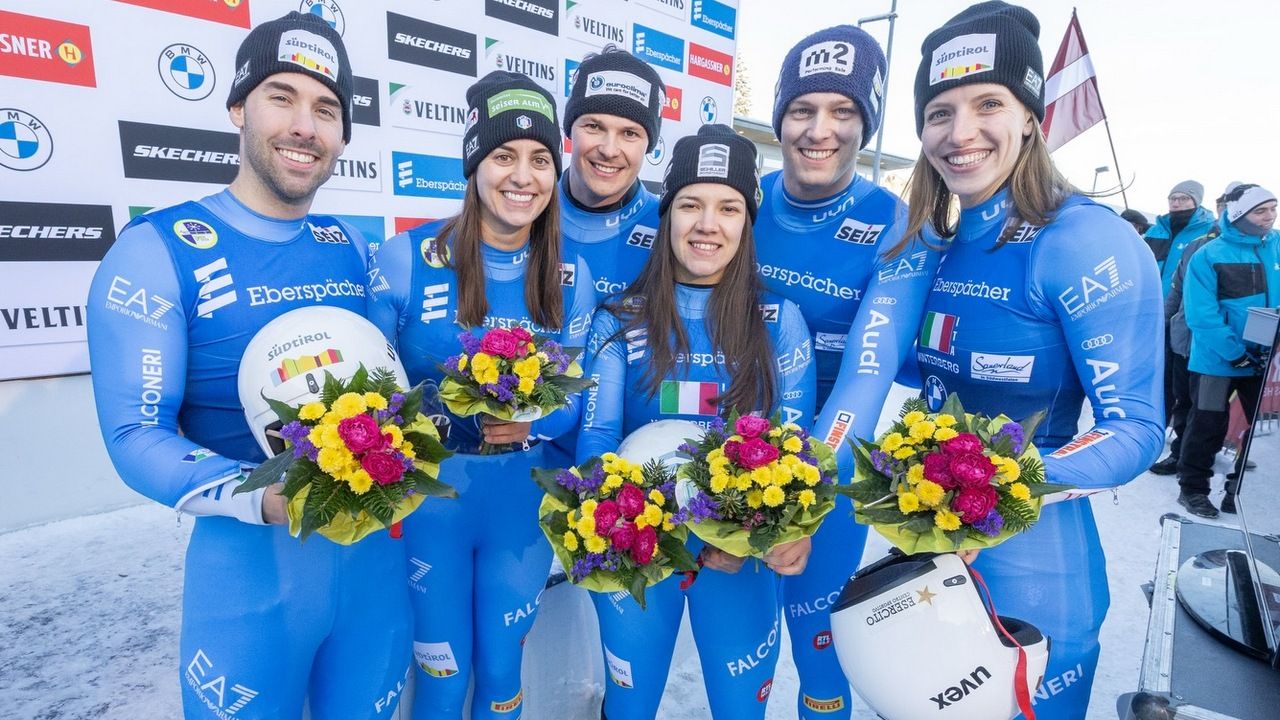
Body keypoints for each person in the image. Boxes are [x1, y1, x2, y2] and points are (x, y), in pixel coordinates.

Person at [87, 12, 412, 718]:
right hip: (252, 586)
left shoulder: (354, 247)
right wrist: (265, 496)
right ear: (238, 106)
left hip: (376, 575)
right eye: (281, 97)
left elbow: (400, 399)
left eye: (327, 109)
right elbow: (135, 435)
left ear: (344, 136)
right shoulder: (157, 249)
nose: (305, 126)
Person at [903, 3, 1164, 717]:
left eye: (989, 103)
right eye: (938, 111)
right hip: (931, 544)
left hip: (1037, 558)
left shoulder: (1084, 240)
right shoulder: (938, 239)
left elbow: (1136, 429)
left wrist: (985, 485)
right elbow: (919, 370)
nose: (960, 134)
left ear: (1030, 117)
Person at [366, 71, 596, 720]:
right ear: (474, 163)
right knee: (441, 673)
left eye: (541, 159)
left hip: (518, 509)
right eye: (503, 156)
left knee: (501, 672)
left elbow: (574, 400)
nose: (523, 175)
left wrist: (533, 419)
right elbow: (367, 395)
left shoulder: (569, 277)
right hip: (427, 509)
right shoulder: (407, 257)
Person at [577, 124, 816, 719]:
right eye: (690, 204)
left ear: (746, 224)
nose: (708, 224)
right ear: (667, 216)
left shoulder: (779, 321)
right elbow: (598, 442)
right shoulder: (618, 321)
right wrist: (623, 527)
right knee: (629, 708)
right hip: (637, 549)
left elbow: (797, 456)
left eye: (728, 207)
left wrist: (756, 534)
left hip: (738, 559)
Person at [754, 25, 939, 719]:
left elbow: (867, 371)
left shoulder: (896, 226)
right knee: (739, 645)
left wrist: (803, 487)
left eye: (843, 112)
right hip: (726, 454)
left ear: (865, 123)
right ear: (780, 118)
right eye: (802, 110)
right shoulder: (740, 200)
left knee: (819, 648)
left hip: (825, 465)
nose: (819, 131)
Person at [547, 46, 666, 469]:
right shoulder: (523, 209)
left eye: (630, 133)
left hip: (629, 459)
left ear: (649, 143)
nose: (609, 149)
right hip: (529, 449)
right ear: (570, 130)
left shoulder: (674, 226)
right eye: (594, 126)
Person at [1177, 184, 1279, 518]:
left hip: (1262, 358)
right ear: (1238, 214)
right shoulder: (1209, 254)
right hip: (1216, 360)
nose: (1270, 216)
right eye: (1260, 210)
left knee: (1253, 430)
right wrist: (1233, 352)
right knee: (1207, 425)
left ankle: (1236, 491)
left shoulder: (1276, 247)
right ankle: (1193, 489)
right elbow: (1201, 315)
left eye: (1273, 208)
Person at [1150, 183, 1240, 476]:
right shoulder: (1197, 246)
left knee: (1209, 410)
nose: (1227, 213)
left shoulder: (1258, 249)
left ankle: (1198, 467)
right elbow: (1176, 291)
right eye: (1224, 207)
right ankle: (1180, 456)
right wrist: (1161, 324)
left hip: (1220, 348)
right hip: (1182, 340)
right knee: (1183, 401)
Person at [1143, 180, 1217, 473]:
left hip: (1181, 322)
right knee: (1150, 378)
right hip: (1147, 314)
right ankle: (1149, 430)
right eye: (1173, 198)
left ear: (1196, 201)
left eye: (1184, 198)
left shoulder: (1206, 234)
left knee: (1179, 388)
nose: (1176, 203)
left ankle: (1183, 449)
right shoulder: (1156, 229)